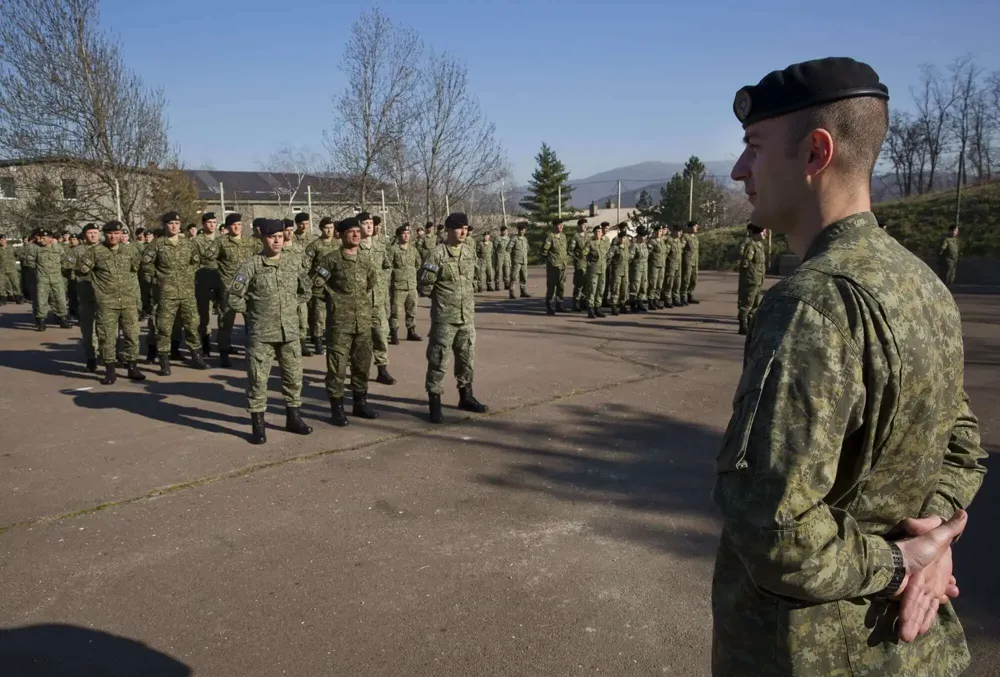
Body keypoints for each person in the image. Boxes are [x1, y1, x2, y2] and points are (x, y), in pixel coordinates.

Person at [714, 56, 987, 676]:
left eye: (753, 148)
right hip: (908, 651)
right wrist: (935, 536)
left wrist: (906, 562)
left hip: (811, 650)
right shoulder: (918, 281)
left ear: (815, 152)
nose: (739, 170)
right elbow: (964, 446)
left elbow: (776, 533)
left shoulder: (812, 303)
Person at [226, 218, 313, 444]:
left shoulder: (293, 262)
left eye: (280, 236)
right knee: (258, 380)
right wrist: (254, 313)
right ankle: (258, 425)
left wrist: (291, 307)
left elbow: (307, 290)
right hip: (262, 334)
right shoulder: (251, 265)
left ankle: (293, 418)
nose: (276, 241)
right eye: (271, 237)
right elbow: (234, 296)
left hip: (290, 333)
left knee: (294, 379)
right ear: (262, 238)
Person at [419, 212, 488, 423]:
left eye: (466, 228)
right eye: (459, 228)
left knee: (467, 359)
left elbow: (473, 278)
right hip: (445, 318)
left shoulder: (469, 252)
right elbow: (425, 286)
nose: (463, 232)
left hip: (466, 316)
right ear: (449, 230)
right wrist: (444, 299)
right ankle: (434, 403)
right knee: (439, 360)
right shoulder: (436, 254)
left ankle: (466, 396)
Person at [314, 217, 379, 426]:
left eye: (357, 231)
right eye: (351, 232)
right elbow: (316, 286)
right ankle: (337, 409)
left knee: (362, 365)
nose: (356, 235)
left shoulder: (366, 259)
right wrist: (334, 301)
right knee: (337, 369)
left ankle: (360, 404)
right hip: (340, 324)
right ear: (340, 235)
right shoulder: (330, 260)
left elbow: (371, 283)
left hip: (363, 323)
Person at [75, 220, 145, 385]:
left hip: (128, 301)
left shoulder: (130, 251)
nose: (113, 236)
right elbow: (80, 270)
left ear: (122, 234)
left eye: (117, 233)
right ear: (104, 235)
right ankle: (110, 370)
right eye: (110, 233)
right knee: (107, 337)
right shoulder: (95, 252)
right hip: (106, 302)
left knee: (132, 335)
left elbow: (135, 271)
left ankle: (132, 367)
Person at [216, 213, 259, 367]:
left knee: (252, 321)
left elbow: (259, 257)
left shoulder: (249, 242)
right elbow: (208, 259)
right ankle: (224, 353)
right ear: (228, 227)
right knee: (226, 322)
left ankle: (253, 354)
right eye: (234, 224)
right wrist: (219, 277)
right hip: (228, 288)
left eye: (239, 224)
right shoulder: (221, 242)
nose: (237, 227)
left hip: (247, 288)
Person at [24, 228, 71, 330]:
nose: (41, 240)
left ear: (50, 238)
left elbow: (67, 259)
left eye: (44, 238)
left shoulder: (58, 248)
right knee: (41, 301)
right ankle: (41, 321)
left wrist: (64, 268)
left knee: (60, 300)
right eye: (40, 237)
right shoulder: (36, 249)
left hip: (57, 279)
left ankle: (63, 319)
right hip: (43, 279)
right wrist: (38, 269)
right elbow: (28, 261)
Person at [388, 223, 422, 343]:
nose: (406, 236)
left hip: (412, 286)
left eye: (408, 234)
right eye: (404, 233)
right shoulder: (393, 250)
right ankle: (394, 333)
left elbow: (418, 264)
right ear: (398, 236)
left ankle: (411, 332)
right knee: (395, 312)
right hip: (399, 286)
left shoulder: (413, 250)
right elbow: (388, 266)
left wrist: (411, 274)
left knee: (412, 311)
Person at [736, 223, 767, 335]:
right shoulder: (751, 245)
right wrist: (748, 277)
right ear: (758, 233)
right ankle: (743, 325)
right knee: (747, 303)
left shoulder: (760, 245)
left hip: (758, 279)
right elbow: (745, 263)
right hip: (751, 279)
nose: (765, 234)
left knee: (755, 304)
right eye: (763, 232)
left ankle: (750, 324)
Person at [541, 218, 567, 314]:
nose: (560, 227)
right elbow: (544, 251)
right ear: (554, 226)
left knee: (561, 285)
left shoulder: (563, 237)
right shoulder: (550, 237)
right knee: (551, 286)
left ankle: (559, 304)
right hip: (553, 266)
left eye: (561, 225)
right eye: (558, 225)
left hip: (563, 265)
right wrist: (551, 260)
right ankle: (549, 305)